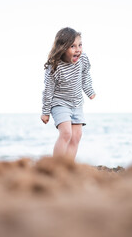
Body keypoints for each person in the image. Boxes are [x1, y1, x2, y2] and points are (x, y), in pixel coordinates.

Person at [41, 27, 96, 160]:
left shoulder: (82, 59)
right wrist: (45, 111)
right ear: (62, 48)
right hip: (59, 103)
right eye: (72, 46)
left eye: (80, 45)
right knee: (66, 133)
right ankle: (57, 165)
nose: (78, 49)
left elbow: (85, 74)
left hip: (77, 104)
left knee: (76, 136)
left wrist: (89, 90)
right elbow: (48, 90)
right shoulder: (55, 67)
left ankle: (68, 166)